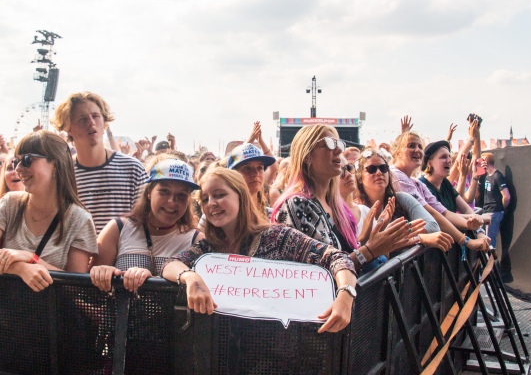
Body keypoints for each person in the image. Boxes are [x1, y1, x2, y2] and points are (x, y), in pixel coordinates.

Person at [161, 167, 357, 333]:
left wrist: (345, 295)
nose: (211, 203)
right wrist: (190, 278)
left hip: (277, 354)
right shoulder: (208, 248)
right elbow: (170, 265)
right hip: (225, 356)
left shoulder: (278, 237)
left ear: (241, 197)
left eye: (220, 195)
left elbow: (337, 258)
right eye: (204, 199)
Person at [272, 124, 417, 274]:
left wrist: (373, 239)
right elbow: (325, 272)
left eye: (338, 144)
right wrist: (371, 249)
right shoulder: (298, 204)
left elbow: (344, 254)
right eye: (329, 143)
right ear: (307, 155)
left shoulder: (334, 204)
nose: (339, 150)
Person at [0, 131, 97, 292]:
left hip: (52, 314)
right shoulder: (10, 203)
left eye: (27, 160)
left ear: (55, 164)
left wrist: (31, 259)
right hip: (7, 312)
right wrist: (20, 268)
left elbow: (75, 285)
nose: (18, 169)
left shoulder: (79, 219)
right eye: (16, 161)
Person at [90, 158, 202, 293]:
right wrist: (106, 274)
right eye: (164, 191)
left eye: (181, 195)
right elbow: (89, 291)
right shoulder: (118, 228)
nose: (172, 201)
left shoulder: (196, 240)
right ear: (149, 192)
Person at [52, 91, 147, 234]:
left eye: (95, 116)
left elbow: (146, 218)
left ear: (104, 122)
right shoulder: (62, 172)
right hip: (77, 253)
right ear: (68, 128)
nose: (91, 123)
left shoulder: (132, 168)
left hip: (124, 252)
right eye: (82, 119)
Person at [391, 132, 489, 252]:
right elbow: (431, 213)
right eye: (411, 146)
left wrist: (470, 225)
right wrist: (467, 241)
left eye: (420, 147)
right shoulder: (397, 177)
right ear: (397, 153)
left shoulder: (416, 183)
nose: (417, 150)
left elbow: (444, 213)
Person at [354, 148, 453, 251]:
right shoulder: (355, 209)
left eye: (383, 168)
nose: (379, 173)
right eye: (371, 169)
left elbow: (432, 226)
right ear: (359, 177)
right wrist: (419, 238)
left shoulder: (402, 199)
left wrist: (406, 237)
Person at [226, 142, 276, 214]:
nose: (256, 173)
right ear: (232, 175)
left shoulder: (274, 216)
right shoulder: (221, 217)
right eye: (247, 168)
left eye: (259, 168)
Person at [477, 153, 510, 249]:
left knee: (489, 242)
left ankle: (491, 262)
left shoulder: (497, 176)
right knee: (483, 240)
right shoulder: (486, 176)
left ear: (485, 160)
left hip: (493, 212)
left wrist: (500, 208)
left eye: (480, 160)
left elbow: (506, 196)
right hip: (486, 212)